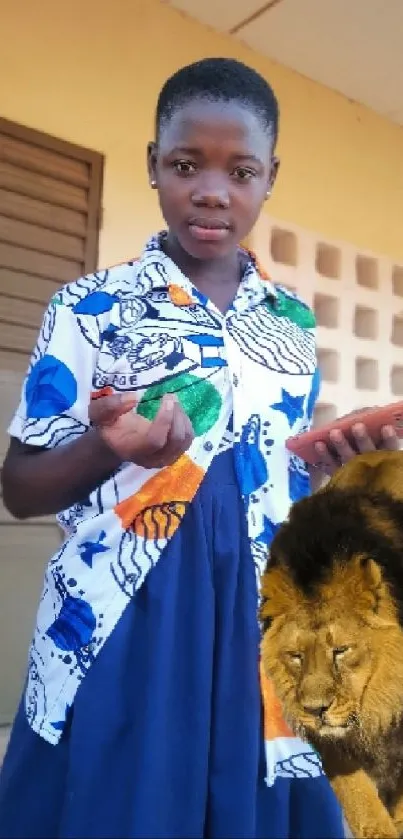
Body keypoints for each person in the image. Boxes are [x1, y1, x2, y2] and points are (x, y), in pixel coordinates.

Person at [0, 57, 398, 839]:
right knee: (123, 803)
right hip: (127, 615)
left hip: (259, 613)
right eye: (186, 164)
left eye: (240, 170)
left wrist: (326, 462)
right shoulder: (88, 307)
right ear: (153, 165)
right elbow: (19, 487)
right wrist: (109, 447)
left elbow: (272, 480)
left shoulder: (289, 323)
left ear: (269, 177)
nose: (212, 190)